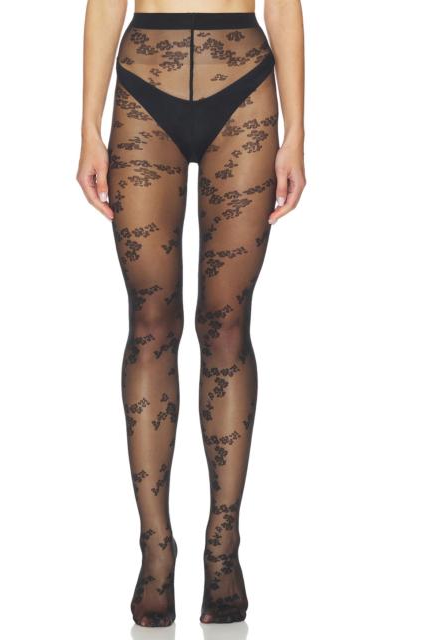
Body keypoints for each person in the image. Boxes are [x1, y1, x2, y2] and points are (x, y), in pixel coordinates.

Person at [77, 0, 306, 627]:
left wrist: (297, 134)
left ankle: (223, 548)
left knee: (226, 326)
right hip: (144, 83)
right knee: (150, 324)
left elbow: (284, 5)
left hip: (244, 84)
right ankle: (156, 551)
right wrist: (88, 128)